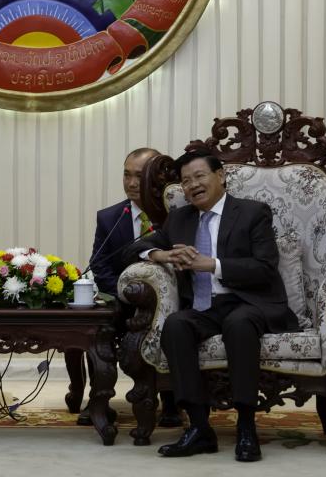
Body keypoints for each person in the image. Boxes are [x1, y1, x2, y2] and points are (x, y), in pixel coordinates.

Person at [124, 150, 298, 463]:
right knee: (176, 325)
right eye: (186, 181)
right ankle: (200, 428)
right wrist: (158, 256)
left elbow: (264, 268)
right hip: (205, 308)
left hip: (248, 301)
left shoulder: (252, 212)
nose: (192, 186)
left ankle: (246, 426)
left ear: (220, 176)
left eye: (199, 176)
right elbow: (135, 249)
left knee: (239, 324)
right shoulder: (180, 218)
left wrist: (212, 265)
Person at [75, 147, 180, 427]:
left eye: (140, 176)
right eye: (127, 175)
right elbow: (100, 267)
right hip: (124, 300)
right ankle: (98, 399)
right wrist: (127, 295)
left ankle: (171, 402)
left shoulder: (178, 214)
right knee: (98, 326)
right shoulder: (109, 218)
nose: (132, 183)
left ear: (158, 179)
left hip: (171, 300)